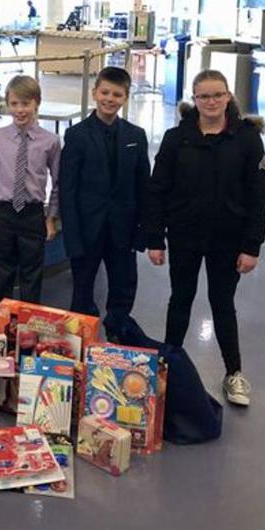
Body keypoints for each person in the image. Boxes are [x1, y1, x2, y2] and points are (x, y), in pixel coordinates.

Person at [146, 69, 265, 407]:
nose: (211, 101)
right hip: (184, 235)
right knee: (180, 299)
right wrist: (155, 238)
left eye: (218, 95)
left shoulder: (247, 138)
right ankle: (168, 366)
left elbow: (258, 197)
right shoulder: (176, 138)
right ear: (195, 99)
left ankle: (234, 372)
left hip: (228, 240)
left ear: (228, 96)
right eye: (204, 96)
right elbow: (157, 190)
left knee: (222, 303)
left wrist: (252, 246)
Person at [60, 66, 150, 340]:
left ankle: (118, 334)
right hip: (87, 230)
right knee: (82, 290)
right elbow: (68, 190)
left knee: (123, 287)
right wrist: (71, 237)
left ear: (126, 97)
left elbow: (143, 186)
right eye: (105, 92)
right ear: (95, 92)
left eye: (117, 94)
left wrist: (142, 232)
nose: (110, 99)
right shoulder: (76, 135)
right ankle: (80, 342)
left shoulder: (136, 136)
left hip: (123, 230)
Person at [0, 74, 60, 304]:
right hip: (3, 212)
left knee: (32, 273)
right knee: (2, 271)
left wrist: (51, 217)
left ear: (36, 103)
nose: (20, 110)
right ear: (7, 104)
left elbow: (58, 182)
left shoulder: (50, 141)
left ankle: (28, 321)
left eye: (25, 103)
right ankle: (1, 321)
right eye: (14, 104)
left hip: (32, 214)